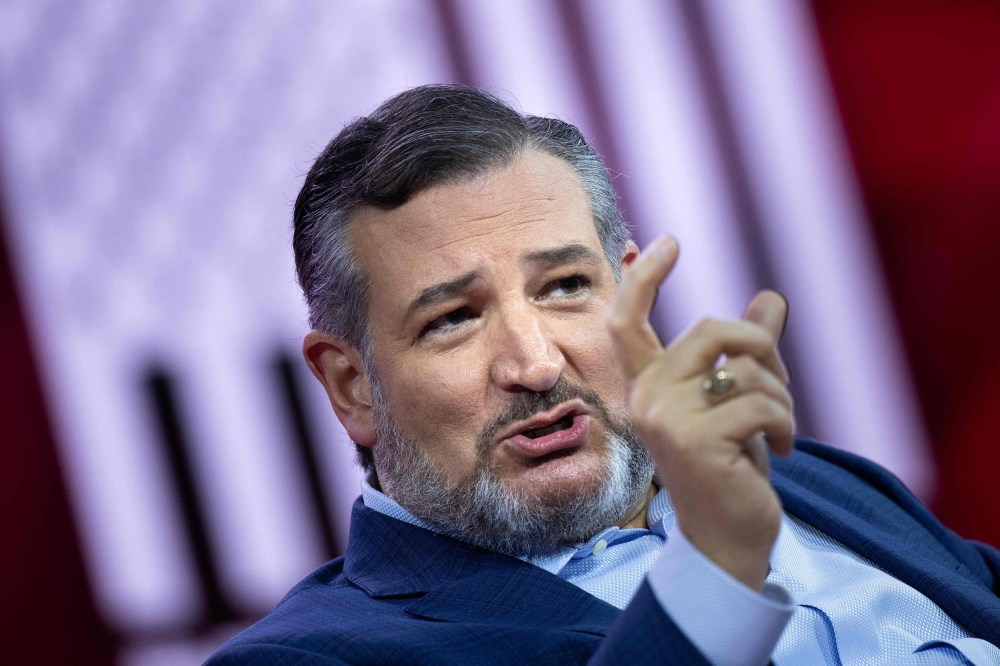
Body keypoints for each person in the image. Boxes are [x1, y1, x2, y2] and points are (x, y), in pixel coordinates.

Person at [207, 85, 1000, 665]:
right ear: (351, 385)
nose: (536, 364)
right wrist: (714, 572)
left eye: (564, 287)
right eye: (452, 319)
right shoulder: (312, 657)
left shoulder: (812, 482)